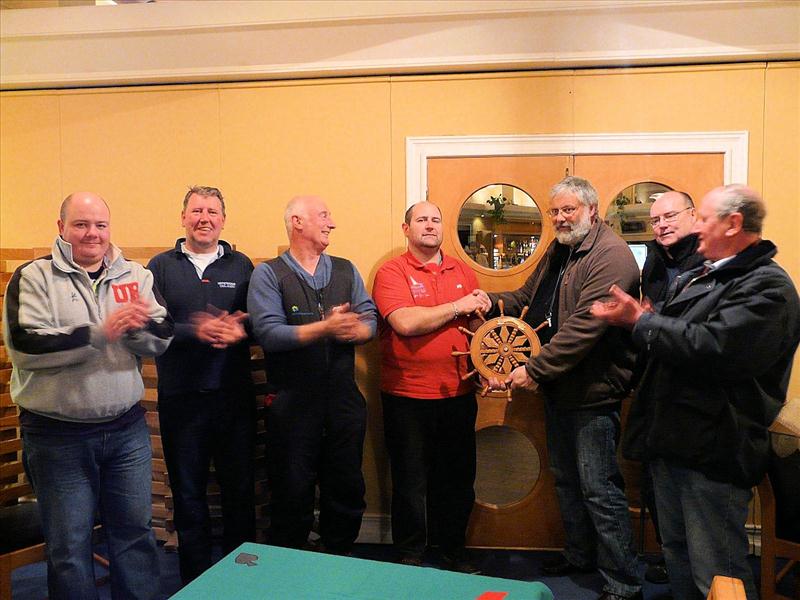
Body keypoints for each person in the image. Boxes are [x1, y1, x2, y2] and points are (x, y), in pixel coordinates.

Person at [591, 184, 800, 600]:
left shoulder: (768, 287)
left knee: (718, 574)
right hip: (675, 439)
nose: (696, 229)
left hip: (715, 447)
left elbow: (717, 348)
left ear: (734, 223)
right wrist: (638, 323)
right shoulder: (702, 275)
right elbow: (676, 338)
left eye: (704, 219)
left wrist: (642, 323)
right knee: (678, 555)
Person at [2, 192, 173, 599]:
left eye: (100, 225)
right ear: (61, 228)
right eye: (81, 224)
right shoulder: (33, 277)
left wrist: (136, 331)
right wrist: (102, 332)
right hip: (56, 436)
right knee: (69, 547)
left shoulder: (135, 275)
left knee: (135, 534)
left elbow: (163, 336)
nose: (92, 233)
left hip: (126, 430)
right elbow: (26, 347)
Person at [481, 176, 643, 600]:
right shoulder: (562, 250)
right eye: (555, 212)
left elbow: (584, 329)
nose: (560, 218)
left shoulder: (612, 256)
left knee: (599, 488)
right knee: (568, 483)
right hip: (561, 388)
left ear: (592, 209)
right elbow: (526, 300)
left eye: (568, 210)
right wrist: (485, 302)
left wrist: (535, 369)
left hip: (592, 392)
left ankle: (623, 583)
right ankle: (580, 556)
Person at [247, 195, 377, 555]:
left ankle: (340, 555)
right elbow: (269, 334)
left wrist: (358, 331)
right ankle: (292, 566)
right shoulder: (268, 274)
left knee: (347, 485)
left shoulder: (346, 269)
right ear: (296, 222)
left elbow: (370, 318)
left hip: (343, 400)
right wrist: (326, 327)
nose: (331, 222)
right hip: (292, 403)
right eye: (323, 215)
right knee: (292, 488)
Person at [372, 201, 490, 572]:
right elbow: (405, 322)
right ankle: (410, 553)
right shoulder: (391, 272)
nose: (429, 225)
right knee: (410, 481)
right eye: (421, 219)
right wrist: (458, 306)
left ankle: (453, 550)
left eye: (435, 220)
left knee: (456, 480)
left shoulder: (463, 271)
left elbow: (476, 330)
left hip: (457, 394)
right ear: (406, 229)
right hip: (406, 396)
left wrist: (485, 366)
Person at [146, 186, 255, 584]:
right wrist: (197, 329)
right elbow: (151, 326)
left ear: (223, 219)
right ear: (183, 217)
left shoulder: (243, 266)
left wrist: (241, 331)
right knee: (188, 496)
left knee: (239, 494)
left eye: (212, 211)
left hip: (234, 400)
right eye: (196, 210)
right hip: (182, 401)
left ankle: (242, 581)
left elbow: (259, 322)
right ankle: (195, 582)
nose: (204, 217)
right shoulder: (159, 266)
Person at [638, 190, 704, 585]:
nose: (661, 225)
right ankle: (669, 558)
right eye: (655, 220)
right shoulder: (655, 261)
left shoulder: (711, 265)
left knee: (700, 517)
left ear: (694, 216)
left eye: (669, 216)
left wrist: (648, 319)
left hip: (696, 405)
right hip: (654, 394)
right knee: (658, 492)